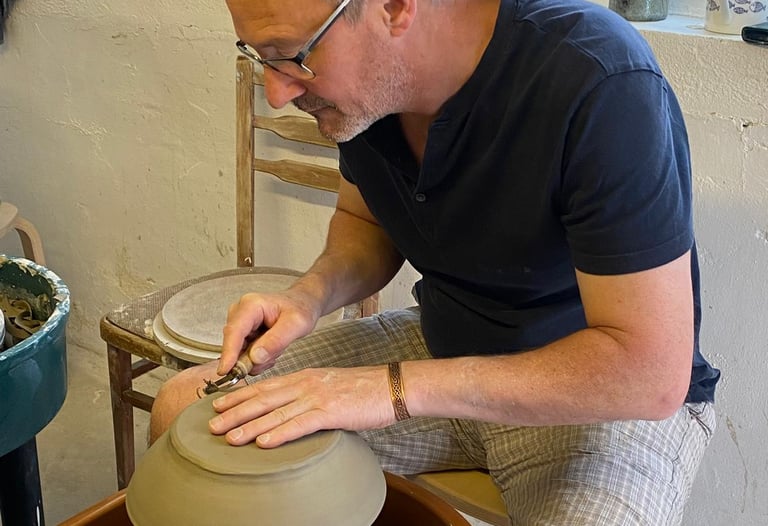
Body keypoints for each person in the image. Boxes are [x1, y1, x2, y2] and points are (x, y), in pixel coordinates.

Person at [150, 0, 721, 523]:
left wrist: (392, 389)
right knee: (184, 413)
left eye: (291, 58)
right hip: (444, 348)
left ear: (394, 8)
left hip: (598, 403)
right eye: (260, 59)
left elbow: (649, 373)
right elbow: (366, 223)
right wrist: (308, 295)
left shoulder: (596, 78)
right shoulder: (363, 91)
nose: (277, 93)